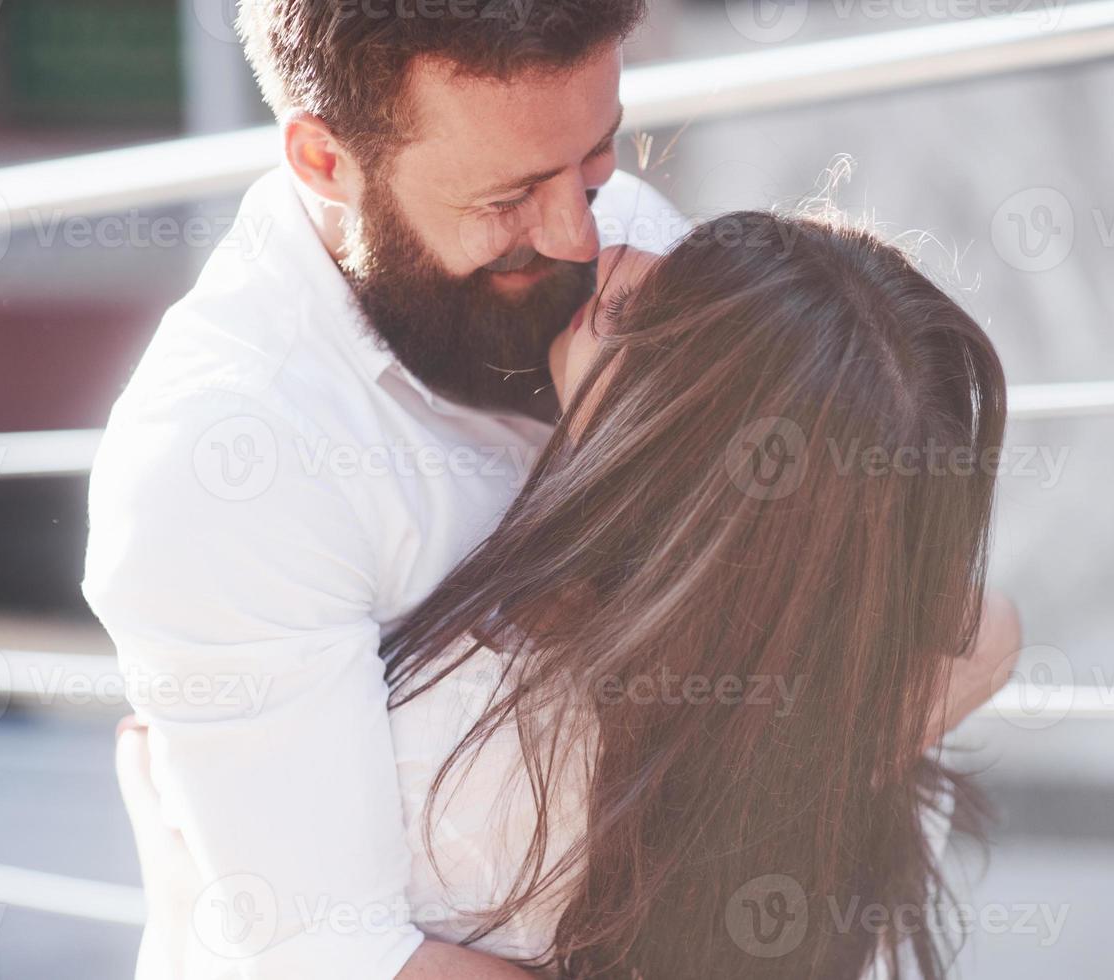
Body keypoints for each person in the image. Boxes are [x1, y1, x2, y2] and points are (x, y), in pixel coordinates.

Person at [115, 215, 1022, 979]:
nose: (615, 248)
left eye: (641, 310)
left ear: (675, 462)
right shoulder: (846, 730)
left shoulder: (463, 754)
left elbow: (295, 938)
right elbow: (990, 630)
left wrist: (181, 833)